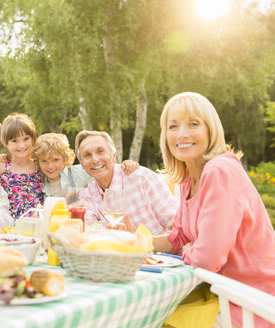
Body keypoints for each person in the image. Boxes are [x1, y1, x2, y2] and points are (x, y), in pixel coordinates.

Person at [120, 92, 275, 328]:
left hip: (252, 301)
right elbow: (181, 236)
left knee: (150, 319)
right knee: (144, 313)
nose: (181, 133)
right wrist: (140, 241)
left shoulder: (219, 170)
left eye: (193, 124)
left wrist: (191, 250)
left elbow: (207, 259)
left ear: (210, 130)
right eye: (173, 126)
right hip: (222, 291)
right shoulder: (187, 177)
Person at [75, 130, 178, 235]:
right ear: (82, 164)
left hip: (155, 250)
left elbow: (177, 227)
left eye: (100, 151)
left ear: (113, 155)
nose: (95, 159)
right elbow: (87, 230)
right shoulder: (87, 195)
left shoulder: (142, 179)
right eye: (87, 155)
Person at [32, 133, 139, 197]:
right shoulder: (37, 180)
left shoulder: (82, 171)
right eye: (44, 161)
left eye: (56, 160)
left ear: (65, 159)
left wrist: (126, 164)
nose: (50, 166)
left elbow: (108, 170)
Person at [0, 113, 45, 219]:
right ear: (5, 143)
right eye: (14, 141)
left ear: (33, 138)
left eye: (26, 139)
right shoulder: (0, 166)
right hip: (9, 228)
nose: (21, 145)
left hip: (37, 224)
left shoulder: (41, 165)